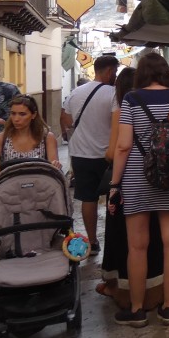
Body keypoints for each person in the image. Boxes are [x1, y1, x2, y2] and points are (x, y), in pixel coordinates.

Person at [109, 53, 169, 327]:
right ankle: (168, 307)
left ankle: (138, 309)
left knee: (137, 246)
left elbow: (123, 146)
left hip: (136, 177)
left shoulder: (132, 99)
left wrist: (115, 184)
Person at [97, 67, 165, 310]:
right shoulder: (157, 104)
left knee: (128, 241)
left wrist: (114, 181)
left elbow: (115, 149)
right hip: (157, 179)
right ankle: (158, 294)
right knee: (156, 238)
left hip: (128, 180)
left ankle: (129, 298)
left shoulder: (124, 108)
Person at [60, 55, 119, 257]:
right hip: (106, 154)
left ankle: (92, 242)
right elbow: (117, 123)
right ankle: (115, 241)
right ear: (110, 71)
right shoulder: (113, 93)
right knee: (114, 196)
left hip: (80, 153)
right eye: (115, 72)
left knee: (87, 198)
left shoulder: (75, 92)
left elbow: (65, 120)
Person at [0, 94, 61, 176]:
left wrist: (55, 164)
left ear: (33, 115)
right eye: (13, 114)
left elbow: (53, 163)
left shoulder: (47, 137)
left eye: (22, 114)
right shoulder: (0, 138)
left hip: (39, 184)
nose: (16, 119)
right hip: (10, 184)